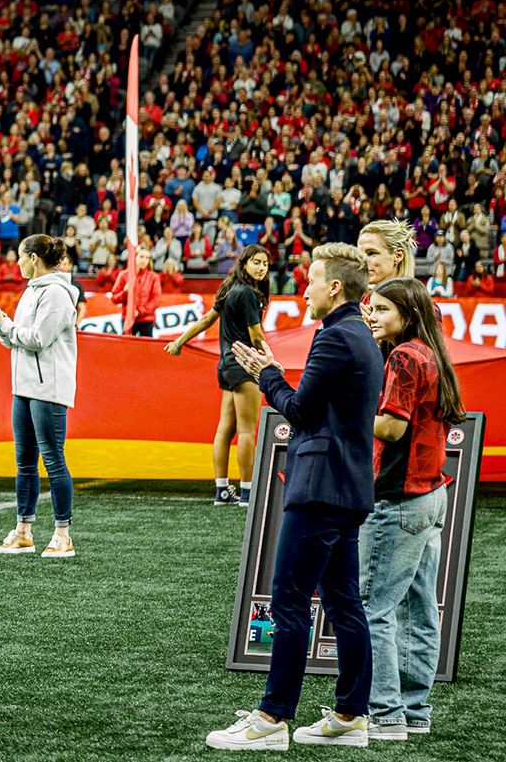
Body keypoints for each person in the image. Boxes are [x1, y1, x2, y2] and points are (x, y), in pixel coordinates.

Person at [209, 243, 381, 750]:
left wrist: (267, 376)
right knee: (345, 605)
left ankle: (271, 718)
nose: (302, 289)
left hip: (320, 488)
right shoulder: (359, 334)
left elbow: (300, 412)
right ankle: (351, 715)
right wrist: (275, 372)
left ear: (334, 287)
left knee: (288, 600)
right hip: (347, 488)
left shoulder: (335, 336)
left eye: (311, 280)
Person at [359, 277, 464, 739]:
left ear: (406, 314)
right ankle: (414, 711)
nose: (373, 316)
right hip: (431, 495)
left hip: (399, 499)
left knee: (374, 609)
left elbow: (391, 428)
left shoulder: (404, 356)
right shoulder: (431, 350)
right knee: (419, 610)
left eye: (382, 309)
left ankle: (384, 715)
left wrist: (345, 409)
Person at [0, 234, 80, 558]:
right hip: (23, 387)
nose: (17, 263)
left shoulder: (56, 294)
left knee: (52, 459)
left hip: (47, 389)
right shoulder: (32, 291)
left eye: (20, 257)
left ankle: (63, 535)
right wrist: (1, 325)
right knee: (25, 462)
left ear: (33, 258)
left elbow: (37, 339)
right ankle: (23, 531)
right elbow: (16, 340)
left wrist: (5, 326)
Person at [168, 244, 272, 504]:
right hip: (244, 366)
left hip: (226, 366)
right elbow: (256, 335)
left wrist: (179, 341)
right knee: (248, 431)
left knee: (225, 429)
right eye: (257, 262)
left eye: (265, 264)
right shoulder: (248, 293)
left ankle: (222, 490)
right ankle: (248, 493)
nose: (262, 268)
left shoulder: (229, 287)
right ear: (244, 263)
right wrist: (270, 361)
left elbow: (206, 320)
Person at [110, 243, 161, 337]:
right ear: (135, 257)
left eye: (147, 258)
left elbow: (156, 301)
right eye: (141, 257)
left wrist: (139, 311)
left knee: (146, 349)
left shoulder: (154, 277)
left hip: (147, 320)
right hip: (128, 319)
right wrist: (124, 292)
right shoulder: (124, 275)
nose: (144, 260)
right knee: (128, 348)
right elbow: (114, 298)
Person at [357, 217, 417, 286]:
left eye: (371, 253)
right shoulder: (358, 296)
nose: (361, 261)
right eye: (360, 255)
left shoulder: (416, 296)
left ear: (398, 255)